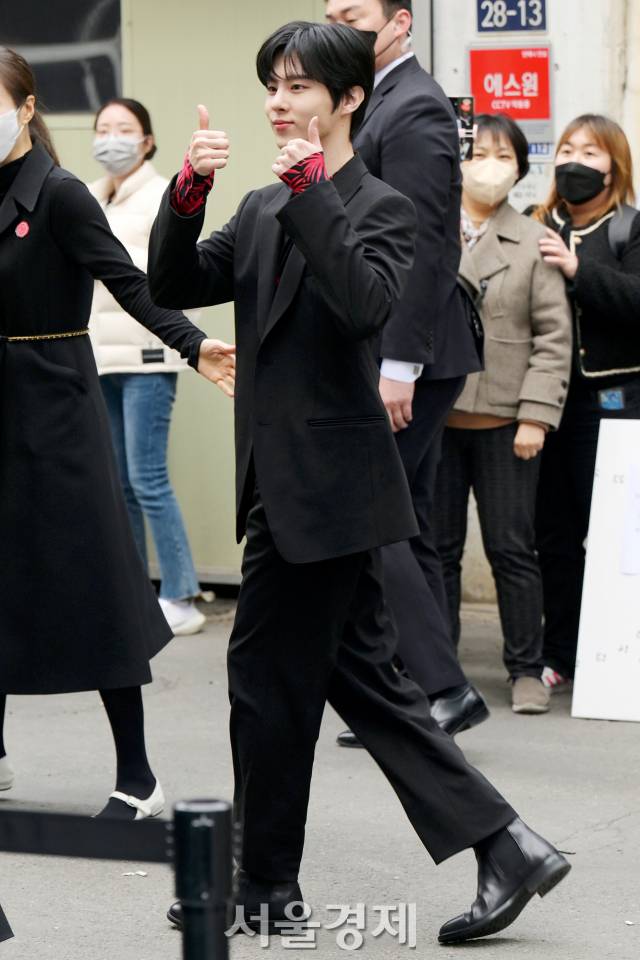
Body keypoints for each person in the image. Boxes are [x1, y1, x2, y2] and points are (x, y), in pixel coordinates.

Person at [151, 21, 570, 945]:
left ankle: (264, 884)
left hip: (330, 493)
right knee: (364, 687)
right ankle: (508, 847)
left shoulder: (379, 205)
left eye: (300, 86)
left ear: (347, 101)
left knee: (266, 684)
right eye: (273, 84)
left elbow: (366, 307)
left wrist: (309, 189)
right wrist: (189, 190)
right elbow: (175, 278)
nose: (279, 101)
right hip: (287, 488)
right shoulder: (262, 206)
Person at [0, 48, 235, 821]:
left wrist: (194, 344)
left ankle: (138, 776)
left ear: (28, 107)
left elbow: (130, 284)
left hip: (57, 408)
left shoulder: (62, 194)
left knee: (97, 585)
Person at [325, 0, 489, 746]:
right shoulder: (377, 98)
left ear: (398, 23)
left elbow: (427, 247)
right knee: (408, 522)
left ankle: (444, 689)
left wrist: (399, 365)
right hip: (404, 350)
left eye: (351, 12)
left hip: (413, 354)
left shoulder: (415, 106)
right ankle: (419, 690)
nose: (336, 22)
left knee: (372, 510)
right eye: (327, 11)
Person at [433, 114, 572, 715]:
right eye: (478, 152)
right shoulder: (427, 229)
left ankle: (524, 668)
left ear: (519, 167)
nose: (489, 164)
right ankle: (438, 672)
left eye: (503, 154)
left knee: (512, 548)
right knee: (436, 550)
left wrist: (536, 416)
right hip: (434, 420)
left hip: (505, 421)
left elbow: (553, 337)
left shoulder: (532, 239)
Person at [89, 97, 205, 637]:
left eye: (124, 129)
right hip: (101, 357)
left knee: (148, 477)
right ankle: (134, 591)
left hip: (148, 355)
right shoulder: (91, 196)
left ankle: (181, 593)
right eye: (103, 128)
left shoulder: (163, 194)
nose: (112, 137)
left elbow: (158, 271)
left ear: (148, 141)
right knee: (120, 482)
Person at [533, 114, 640, 690]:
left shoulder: (630, 228)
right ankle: (560, 652)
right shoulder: (535, 224)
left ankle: (617, 656)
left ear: (614, 167)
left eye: (591, 153)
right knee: (552, 533)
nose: (576, 161)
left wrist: (579, 269)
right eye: (568, 150)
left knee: (615, 534)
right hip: (547, 406)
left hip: (615, 402)